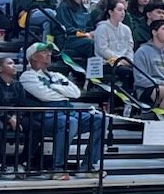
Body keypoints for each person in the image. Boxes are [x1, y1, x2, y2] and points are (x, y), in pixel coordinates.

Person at [19, 40, 105, 177]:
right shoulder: (27, 76)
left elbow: (76, 93)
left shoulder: (57, 75)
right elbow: (45, 96)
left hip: (67, 112)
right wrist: (63, 92)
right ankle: (58, 167)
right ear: (33, 57)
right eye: (44, 52)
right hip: (45, 115)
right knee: (70, 122)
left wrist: (55, 87)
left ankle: (88, 165)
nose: (49, 54)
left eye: (49, 52)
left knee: (100, 119)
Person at [131, 19, 164, 113]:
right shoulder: (142, 51)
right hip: (147, 88)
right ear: (154, 32)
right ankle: (163, 121)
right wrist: (162, 83)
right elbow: (140, 79)